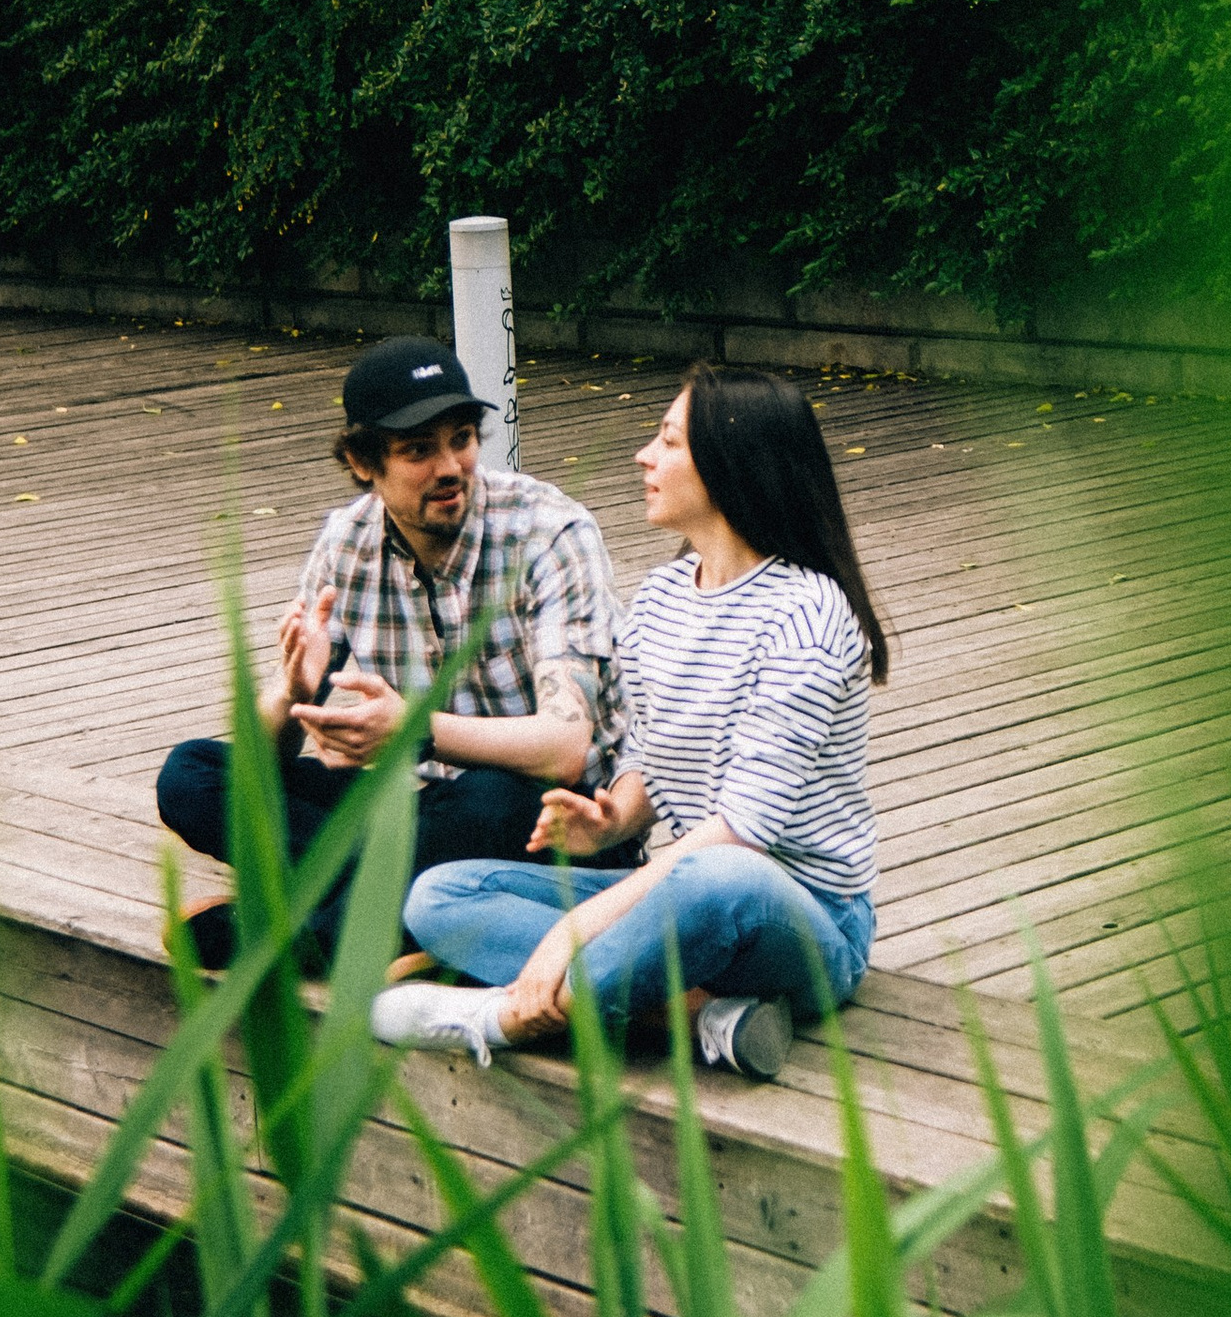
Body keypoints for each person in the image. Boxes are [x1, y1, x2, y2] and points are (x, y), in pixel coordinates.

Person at [372, 362, 887, 1079]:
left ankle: (501, 1017)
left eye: (669, 441)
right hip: (688, 885)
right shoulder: (663, 595)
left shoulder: (808, 616)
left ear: (730, 464)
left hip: (807, 916)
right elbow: (651, 748)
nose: (645, 455)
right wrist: (614, 820)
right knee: (442, 895)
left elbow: (745, 830)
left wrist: (575, 929)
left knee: (718, 879)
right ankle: (700, 1015)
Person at [155, 334, 627, 965]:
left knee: (493, 797)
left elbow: (566, 750)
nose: (450, 467)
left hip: (551, 818)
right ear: (362, 461)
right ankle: (375, 907)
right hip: (413, 805)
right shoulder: (346, 541)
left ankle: (307, 930)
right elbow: (271, 753)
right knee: (191, 774)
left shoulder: (550, 532)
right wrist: (293, 693)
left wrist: (413, 730)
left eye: (461, 438)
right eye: (418, 450)